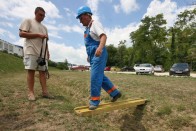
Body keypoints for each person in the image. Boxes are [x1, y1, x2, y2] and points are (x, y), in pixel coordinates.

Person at [76, 6, 122, 110]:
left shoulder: (94, 24)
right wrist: (89, 55)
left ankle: (94, 101)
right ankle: (115, 93)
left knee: (95, 77)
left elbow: (103, 36)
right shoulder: (87, 30)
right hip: (93, 55)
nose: (80, 21)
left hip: (99, 54)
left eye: (80, 18)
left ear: (87, 15)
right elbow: (89, 45)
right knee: (100, 76)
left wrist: (100, 48)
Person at [19, 7, 53, 101]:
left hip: (42, 53)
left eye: (43, 16)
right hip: (31, 51)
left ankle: (45, 92)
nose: (42, 17)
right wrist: (38, 35)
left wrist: (48, 52)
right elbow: (21, 34)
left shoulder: (44, 28)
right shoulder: (28, 21)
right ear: (35, 13)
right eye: (40, 15)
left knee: (43, 72)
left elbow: (46, 41)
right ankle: (31, 93)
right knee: (31, 71)